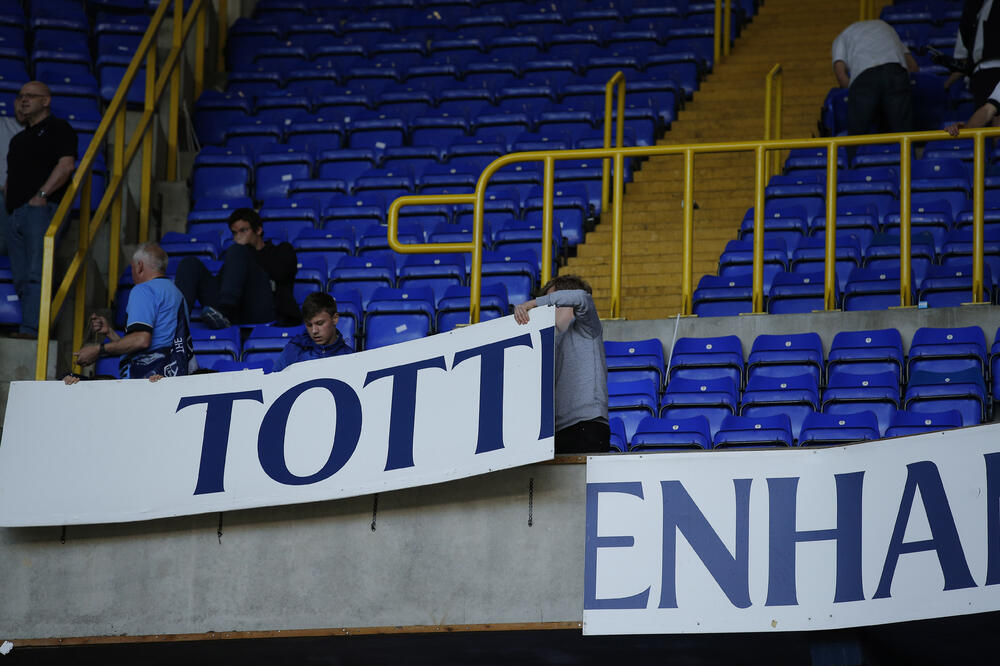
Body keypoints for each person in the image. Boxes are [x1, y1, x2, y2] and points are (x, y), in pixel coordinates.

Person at [3, 81, 77, 338]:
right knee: (22, 276)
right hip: (15, 214)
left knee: (37, 272)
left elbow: (66, 165)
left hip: (40, 211)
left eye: (31, 96)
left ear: (46, 101)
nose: (24, 100)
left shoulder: (59, 128)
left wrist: (41, 195)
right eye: (21, 96)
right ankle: (31, 326)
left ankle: (33, 330)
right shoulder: (18, 139)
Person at [513, 275, 609, 455]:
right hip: (557, 432)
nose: (545, 309)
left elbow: (581, 297)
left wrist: (531, 304)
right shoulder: (552, 343)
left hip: (588, 424)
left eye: (550, 302)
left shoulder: (588, 328)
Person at [74, 242, 197, 379]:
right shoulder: (176, 293)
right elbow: (151, 343)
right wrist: (110, 332)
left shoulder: (143, 290)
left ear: (139, 266)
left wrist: (98, 350)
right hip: (172, 374)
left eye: (132, 267)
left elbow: (142, 340)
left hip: (148, 379)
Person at [174, 207, 299, 329]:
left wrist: (244, 251)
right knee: (189, 263)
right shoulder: (237, 254)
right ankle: (175, 325)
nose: (238, 237)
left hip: (264, 308)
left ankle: (225, 312)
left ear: (258, 230)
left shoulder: (282, 249)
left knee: (237, 251)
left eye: (243, 230)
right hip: (234, 308)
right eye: (234, 233)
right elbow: (223, 283)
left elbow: (281, 274)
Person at [832, 20, 919, 138]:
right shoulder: (886, 27)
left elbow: (841, 75)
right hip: (895, 70)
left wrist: (855, 95)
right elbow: (913, 67)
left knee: (857, 136)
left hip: (864, 75)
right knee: (904, 133)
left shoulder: (842, 37)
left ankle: (856, 150)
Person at [273, 291, 353, 371]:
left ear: (335, 319)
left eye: (320, 323)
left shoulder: (350, 358)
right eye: (309, 325)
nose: (314, 331)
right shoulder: (292, 351)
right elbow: (275, 378)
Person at [945, 0, 1000, 110]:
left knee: (988, 113)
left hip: (985, 70)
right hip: (984, 70)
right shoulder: (976, 9)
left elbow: (963, 58)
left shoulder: (975, 9)